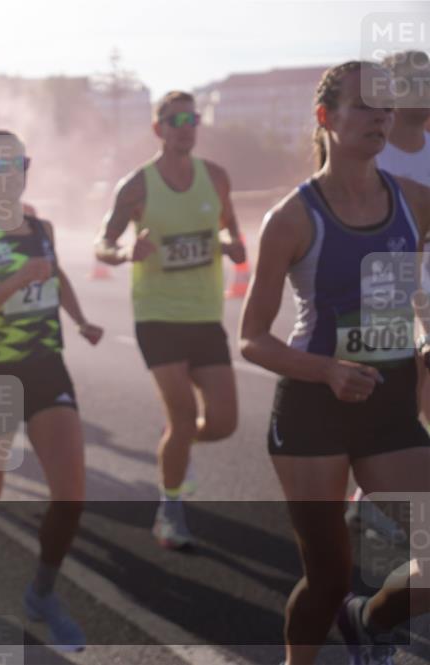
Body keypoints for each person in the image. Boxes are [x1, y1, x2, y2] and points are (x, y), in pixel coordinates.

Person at [239, 60, 430, 665]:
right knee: (327, 576)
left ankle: (369, 620)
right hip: (314, 409)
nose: (381, 117)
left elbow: (415, 290)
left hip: (390, 402)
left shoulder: (416, 202)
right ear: (326, 116)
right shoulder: (291, 218)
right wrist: (327, 371)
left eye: (387, 106)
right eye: (366, 104)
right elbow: (251, 338)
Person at [0, 129, 103, 652]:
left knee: (71, 496)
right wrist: (14, 282)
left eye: (19, 163)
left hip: (47, 371)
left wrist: (80, 320)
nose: (11, 173)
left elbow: (56, 276)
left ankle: (41, 593)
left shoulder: (42, 228)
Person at [95, 91, 245, 549]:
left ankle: (175, 448)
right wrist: (126, 252)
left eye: (192, 119)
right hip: (157, 315)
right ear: (158, 129)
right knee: (181, 416)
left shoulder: (215, 177)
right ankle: (169, 511)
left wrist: (232, 246)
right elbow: (103, 244)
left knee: (223, 422)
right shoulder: (137, 186)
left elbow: (231, 229)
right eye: (176, 120)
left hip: (205, 314)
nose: (186, 127)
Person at [346, 50, 430, 542]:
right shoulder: (372, 153)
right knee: (393, 404)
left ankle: (376, 497)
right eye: (415, 80)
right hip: (382, 293)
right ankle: (375, 497)